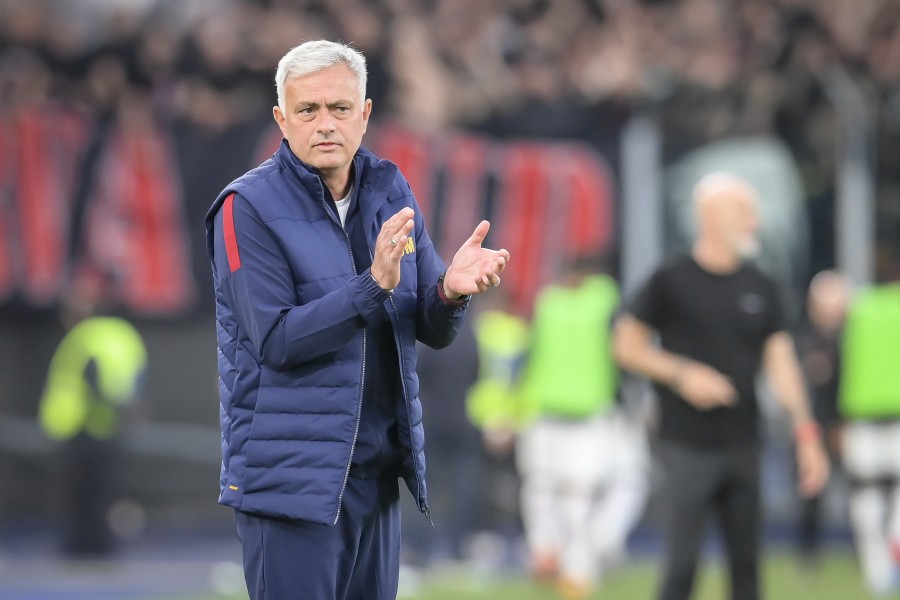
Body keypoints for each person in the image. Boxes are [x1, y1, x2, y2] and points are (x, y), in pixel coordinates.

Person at [203, 40, 510, 600]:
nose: (325, 124)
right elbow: (276, 341)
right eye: (308, 111)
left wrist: (449, 292)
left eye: (340, 109)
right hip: (292, 485)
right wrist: (371, 287)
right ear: (282, 119)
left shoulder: (390, 188)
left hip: (377, 474)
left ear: (365, 114)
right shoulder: (244, 207)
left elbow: (431, 329)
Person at [612, 172, 829, 600]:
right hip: (684, 445)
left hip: (744, 444)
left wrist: (807, 434)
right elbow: (625, 346)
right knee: (680, 570)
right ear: (709, 215)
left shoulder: (761, 285)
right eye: (743, 211)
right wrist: (682, 373)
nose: (754, 222)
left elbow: (781, 364)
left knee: (747, 575)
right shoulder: (671, 279)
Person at [516, 256, 649, 599]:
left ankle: (544, 547)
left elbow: (529, 354)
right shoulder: (604, 300)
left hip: (542, 408)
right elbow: (623, 352)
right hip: (589, 411)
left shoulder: (547, 303)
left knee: (541, 487)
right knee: (585, 493)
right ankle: (579, 568)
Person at [39, 275, 147, 557]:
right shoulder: (123, 334)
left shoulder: (86, 337)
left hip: (83, 428)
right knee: (102, 491)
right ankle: (98, 547)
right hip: (110, 427)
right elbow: (133, 380)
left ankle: (85, 548)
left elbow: (93, 381)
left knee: (82, 494)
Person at [837, 279, 900, 596]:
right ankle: (890, 559)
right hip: (885, 412)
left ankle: (878, 568)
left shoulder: (859, 307)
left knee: (866, 496)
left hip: (860, 414)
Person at [793, 270, 851, 565]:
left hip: (844, 425)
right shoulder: (803, 337)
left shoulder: (852, 337)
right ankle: (808, 556)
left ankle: (862, 555)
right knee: (811, 493)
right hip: (813, 426)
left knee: (858, 493)